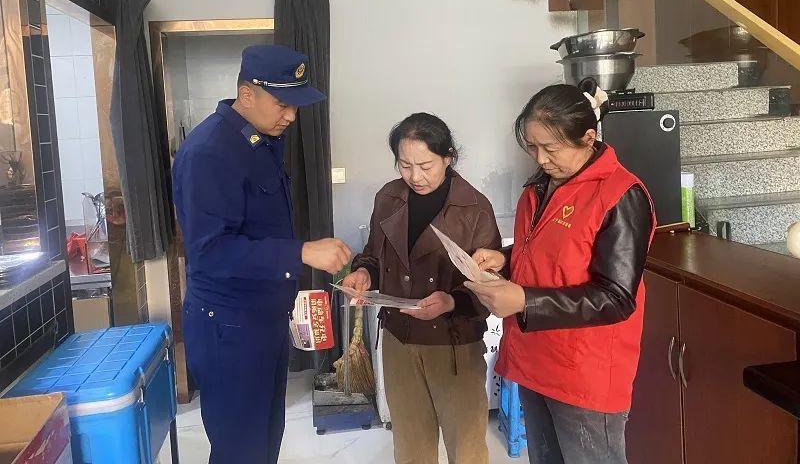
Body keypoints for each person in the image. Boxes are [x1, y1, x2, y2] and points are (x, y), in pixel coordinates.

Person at [172, 45, 351, 464]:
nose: (291, 116)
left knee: (265, 440)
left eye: (296, 105)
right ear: (247, 94)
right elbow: (211, 252)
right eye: (283, 104)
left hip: (261, 319)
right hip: (229, 327)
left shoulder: (260, 141)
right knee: (241, 449)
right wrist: (301, 252)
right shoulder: (210, 153)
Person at [466, 82, 655, 464]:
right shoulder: (539, 187)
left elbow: (616, 298)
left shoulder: (620, 195)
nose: (541, 158)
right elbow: (553, 253)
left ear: (588, 138)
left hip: (583, 372)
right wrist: (505, 258)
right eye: (532, 147)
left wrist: (525, 300)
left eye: (550, 148)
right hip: (535, 358)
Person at [340, 113, 500, 464]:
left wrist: (451, 302)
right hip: (399, 339)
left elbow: (491, 287)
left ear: (448, 157)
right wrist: (364, 274)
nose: (415, 176)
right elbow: (373, 255)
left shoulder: (474, 208)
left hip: (454, 344)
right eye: (405, 165)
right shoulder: (389, 197)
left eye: (425, 165)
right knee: (410, 446)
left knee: (467, 448)